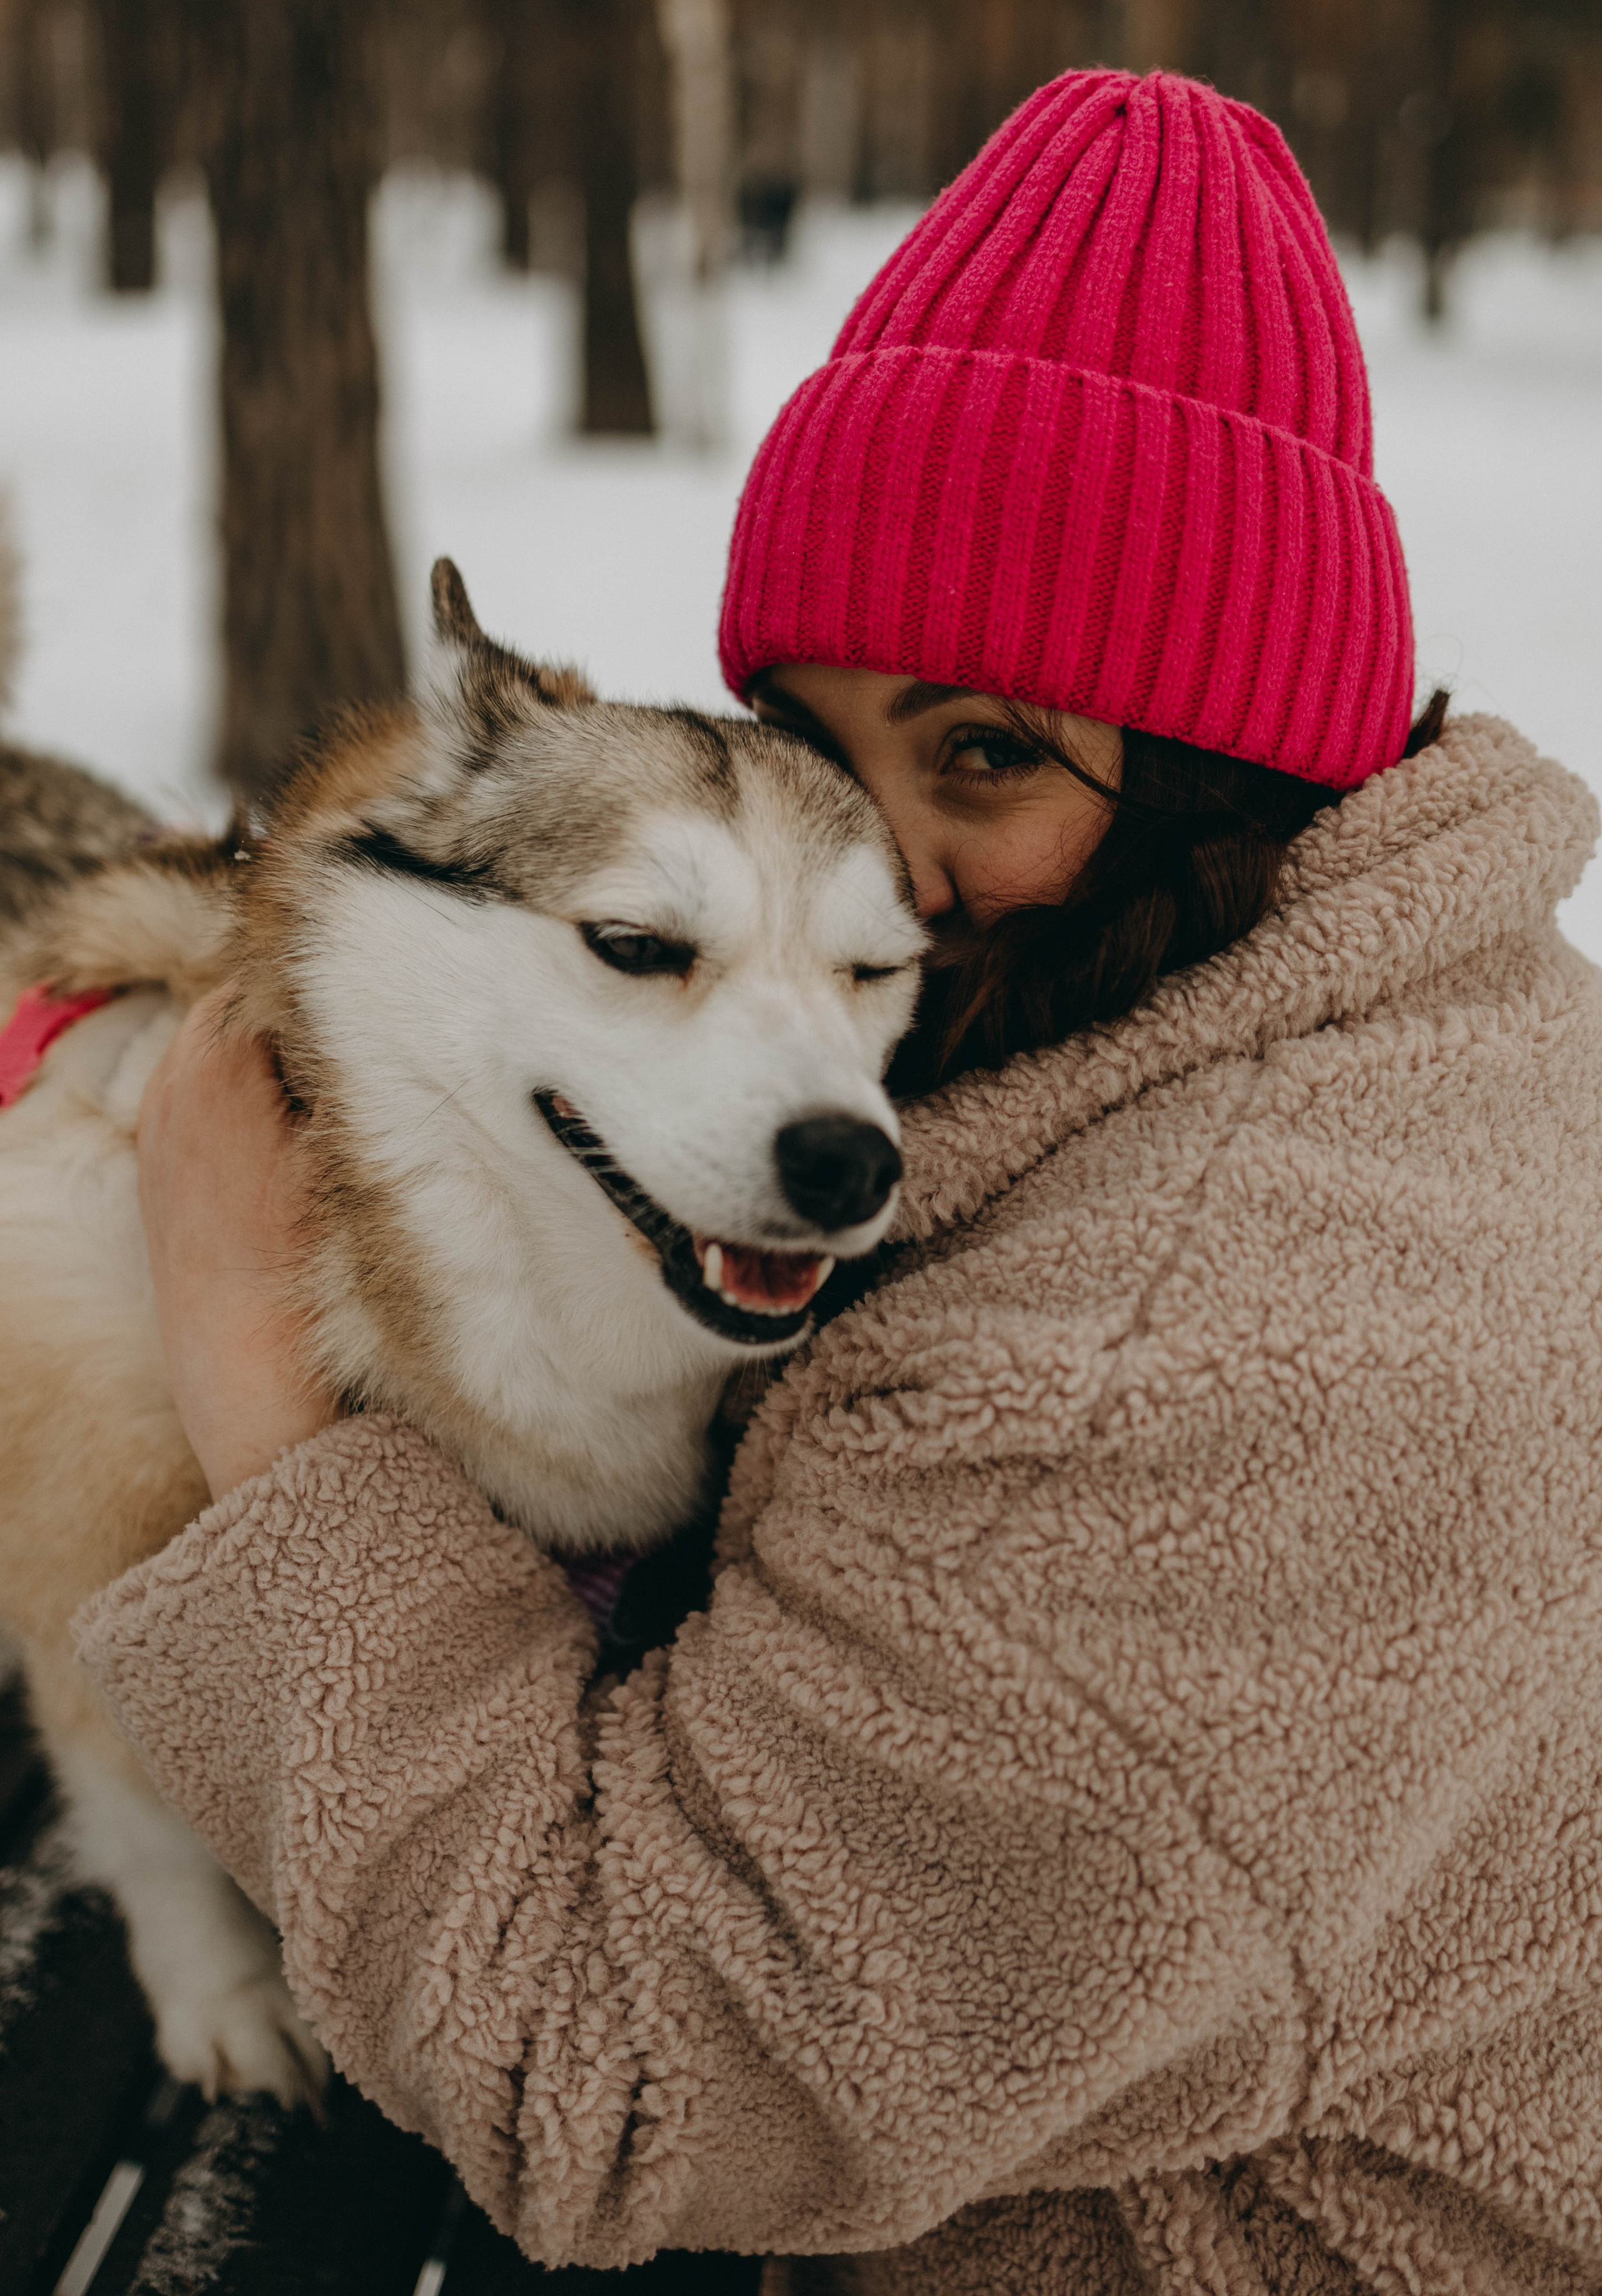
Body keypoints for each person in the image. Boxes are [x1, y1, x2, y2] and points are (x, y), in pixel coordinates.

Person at [77, 68, 1602, 2295]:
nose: (874, 869)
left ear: (1214, 768)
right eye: (815, 736)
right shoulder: (1352, 1016)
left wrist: (246, 1374)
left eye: (980, 750)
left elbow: (599, 2084)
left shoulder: (1167, 1381)